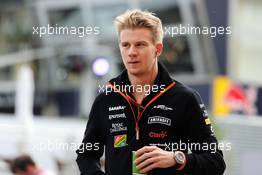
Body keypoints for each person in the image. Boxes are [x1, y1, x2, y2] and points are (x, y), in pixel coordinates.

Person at [76, 9, 226, 175]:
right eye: (125, 45)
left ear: (158, 49)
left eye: (140, 44)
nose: (131, 52)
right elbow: (86, 155)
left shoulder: (185, 98)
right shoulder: (107, 97)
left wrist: (176, 159)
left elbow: (216, 162)